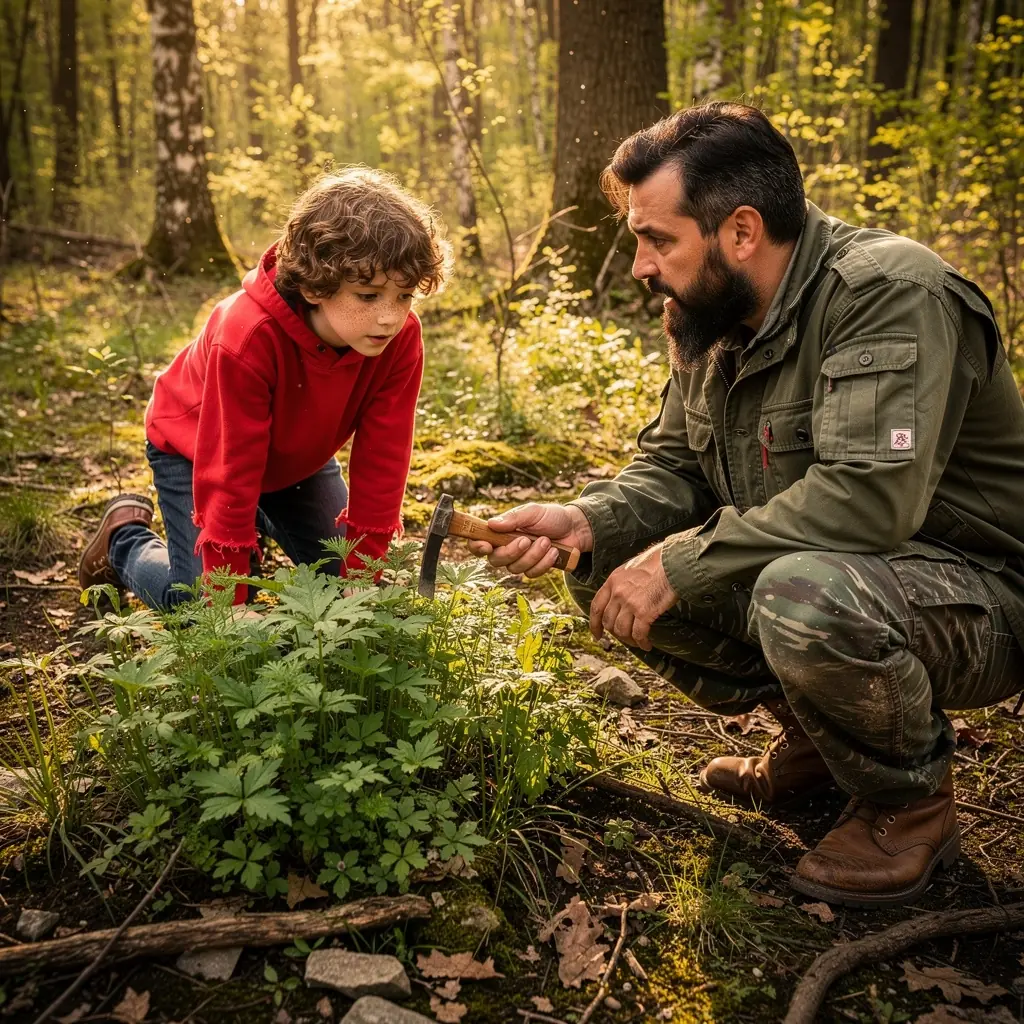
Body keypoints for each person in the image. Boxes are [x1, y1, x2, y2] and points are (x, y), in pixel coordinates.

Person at [470, 102, 1024, 908]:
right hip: (851, 577)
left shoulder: (888, 292)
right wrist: (586, 520)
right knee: (606, 569)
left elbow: (871, 496)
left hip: (980, 592)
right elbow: (673, 466)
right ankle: (824, 746)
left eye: (658, 239)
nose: (640, 266)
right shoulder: (715, 308)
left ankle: (909, 806)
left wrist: (683, 559)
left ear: (740, 231)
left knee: (801, 595)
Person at [79, 167, 452, 608]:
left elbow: (383, 455)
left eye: (404, 295)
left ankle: (259, 522)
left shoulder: (401, 338)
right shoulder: (247, 334)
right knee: (204, 610)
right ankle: (123, 542)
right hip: (196, 450)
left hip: (296, 463)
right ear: (316, 285)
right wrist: (231, 597)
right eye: (368, 296)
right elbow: (229, 471)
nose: (390, 316)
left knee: (350, 595)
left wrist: (364, 569)